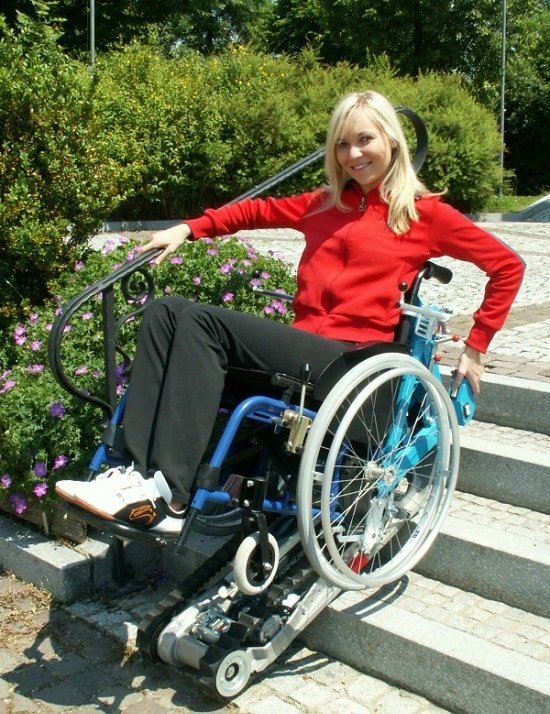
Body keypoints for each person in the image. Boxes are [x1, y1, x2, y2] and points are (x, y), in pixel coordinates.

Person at [55, 90, 525, 534]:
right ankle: (134, 474)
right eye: (342, 144)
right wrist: (188, 229)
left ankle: (171, 498)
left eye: (365, 139)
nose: (353, 154)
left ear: (392, 140)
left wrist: (475, 346)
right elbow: (252, 212)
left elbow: (507, 266)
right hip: (306, 352)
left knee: (202, 321)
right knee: (166, 311)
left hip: (352, 363)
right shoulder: (323, 205)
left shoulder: (425, 214)